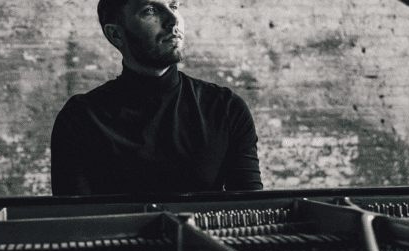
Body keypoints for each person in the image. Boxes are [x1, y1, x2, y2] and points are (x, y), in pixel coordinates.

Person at [50, 0, 262, 195]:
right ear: (116, 35)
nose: (173, 20)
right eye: (150, 10)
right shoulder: (80, 119)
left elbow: (252, 212)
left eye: (174, 5)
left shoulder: (225, 108)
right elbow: (76, 222)